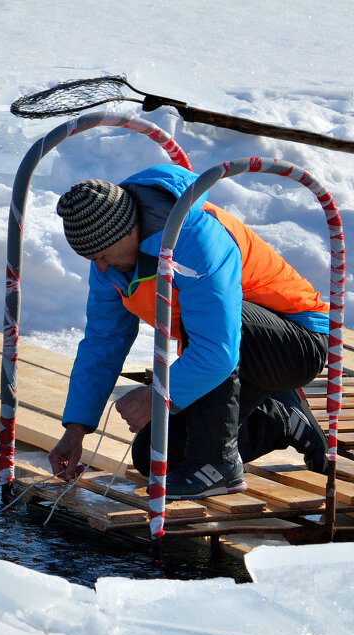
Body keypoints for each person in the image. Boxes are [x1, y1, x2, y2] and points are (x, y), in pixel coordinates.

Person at [47, 163, 330, 500]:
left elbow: (217, 350)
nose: (101, 267)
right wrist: (76, 429)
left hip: (296, 343)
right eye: (92, 259)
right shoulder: (111, 263)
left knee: (211, 325)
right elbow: (103, 342)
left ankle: (218, 466)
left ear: (129, 231)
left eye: (103, 255)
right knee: (154, 455)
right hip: (231, 351)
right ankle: (280, 416)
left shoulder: (194, 236)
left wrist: (156, 395)